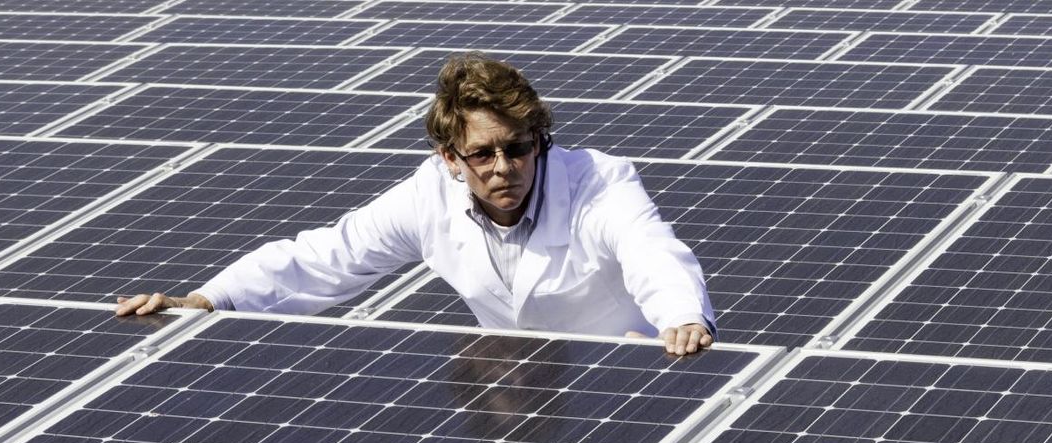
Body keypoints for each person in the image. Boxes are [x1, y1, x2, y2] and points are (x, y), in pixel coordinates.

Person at [115, 54, 716, 357]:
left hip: (631, 373)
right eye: (482, 154)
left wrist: (682, 317)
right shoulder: (428, 195)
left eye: (519, 147)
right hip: (514, 389)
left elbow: (650, 251)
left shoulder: (598, 182)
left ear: (539, 140)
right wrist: (205, 300)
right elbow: (327, 257)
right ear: (450, 157)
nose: (504, 167)